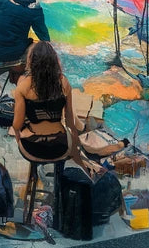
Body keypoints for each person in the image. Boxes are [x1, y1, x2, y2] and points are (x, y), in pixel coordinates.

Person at [12, 41, 97, 172]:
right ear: (53, 60)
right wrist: (74, 150)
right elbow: (70, 122)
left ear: (31, 61)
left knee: (22, 129)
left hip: (31, 149)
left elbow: (17, 125)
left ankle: (34, 173)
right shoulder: (63, 82)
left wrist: (20, 140)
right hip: (60, 147)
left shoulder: (23, 87)